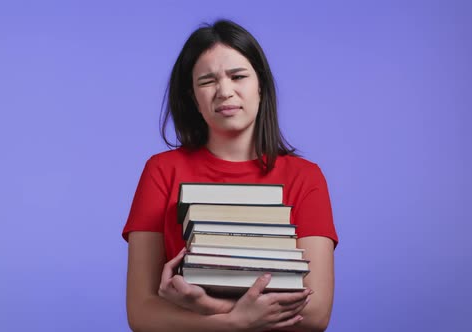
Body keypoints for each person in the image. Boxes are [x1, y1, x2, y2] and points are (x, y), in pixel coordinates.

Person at [122, 19, 338, 332]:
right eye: (207, 81)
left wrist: (213, 309)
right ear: (193, 96)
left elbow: (316, 314)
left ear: (260, 84)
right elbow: (141, 314)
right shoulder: (161, 171)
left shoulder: (306, 177)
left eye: (238, 76)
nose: (224, 91)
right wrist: (237, 321)